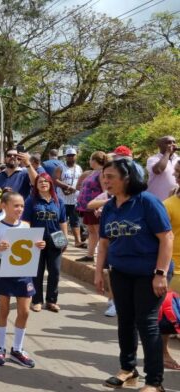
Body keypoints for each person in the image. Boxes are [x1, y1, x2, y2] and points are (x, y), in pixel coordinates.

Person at [95, 158, 172, 392]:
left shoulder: (147, 202)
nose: (105, 181)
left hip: (149, 274)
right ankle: (128, 370)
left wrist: (160, 273)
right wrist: (99, 272)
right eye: (104, 176)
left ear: (127, 179)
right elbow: (105, 242)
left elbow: (166, 237)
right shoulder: (109, 206)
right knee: (125, 322)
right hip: (121, 273)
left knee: (146, 323)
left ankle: (154, 382)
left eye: (111, 177)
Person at [0, 191, 46, 368]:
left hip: (24, 272)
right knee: (4, 310)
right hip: (4, 270)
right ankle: (0, 347)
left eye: (22, 206)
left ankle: (17, 349)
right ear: (5, 206)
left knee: (25, 311)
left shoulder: (27, 227)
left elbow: (33, 250)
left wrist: (40, 246)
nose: (19, 209)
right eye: (16, 205)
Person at [23, 173, 67, 313]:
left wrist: (65, 239)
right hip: (37, 240)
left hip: (56, 238)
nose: (43, 184)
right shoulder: (31, 201)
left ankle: (51, 301)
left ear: (50, 184)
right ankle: (36, 301)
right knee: (37, 272)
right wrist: (30, 240)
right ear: (36, 185)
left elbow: (63, 221)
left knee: (55, 271)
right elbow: (26, 222)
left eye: (46, 181)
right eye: (40, 182)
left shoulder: (58, 201)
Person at [76, 151, 109, 262]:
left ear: (94, 160)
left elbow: (105, 191)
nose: (89, 161)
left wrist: (101, 207)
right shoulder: (93, 172)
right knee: (91, 231)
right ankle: (90, 255)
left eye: (90, 159)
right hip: (88, 208)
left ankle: (104, 258)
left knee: (99, 231)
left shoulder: (101, 172)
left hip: (95, 207)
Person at [61, 148, 84, 248]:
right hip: (62, 199)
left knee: (75, 221)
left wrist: (77, 189)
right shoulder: (61, 167)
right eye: (69, 155)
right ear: (66, 156)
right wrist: (66, 187)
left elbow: (82, 181)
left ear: (76, 156)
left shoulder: (79, 168)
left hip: (75, 199)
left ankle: (78, 241)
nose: (71, 157)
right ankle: (62, 243)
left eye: (73, 155)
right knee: (62, 221)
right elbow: (55, 180)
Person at [147, 136, 178, 201]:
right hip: (157, 201)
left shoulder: (178, 159)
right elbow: (158, 170)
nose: (172, 144)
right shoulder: (153, 159)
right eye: (168, 142)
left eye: (174, 142)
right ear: (159, 145)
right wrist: (167, 153)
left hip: (174, 201)